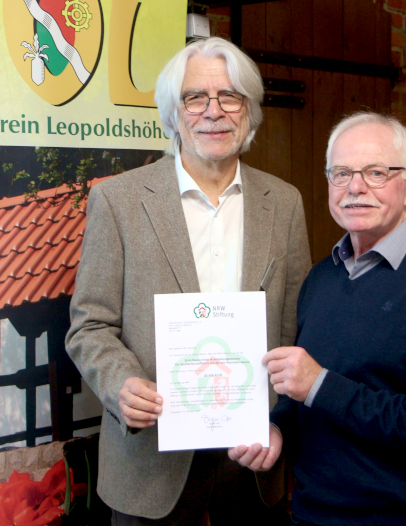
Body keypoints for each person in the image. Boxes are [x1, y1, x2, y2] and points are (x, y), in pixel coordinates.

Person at [66, 37, 311, 526]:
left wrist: (282, 420)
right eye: (195, 97)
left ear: (249, 112)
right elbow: (89, 326)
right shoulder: (118, 201)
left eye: (230, 96)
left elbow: (295, 329)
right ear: (173, 114)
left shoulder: (284, 203)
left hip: (251, 457)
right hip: (150, 462)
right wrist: (121, 385)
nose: (213, 111)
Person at [231, 112, 406, 525]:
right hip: (311, 511)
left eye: (376, 172)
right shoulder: (320, 277)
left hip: (400, 516)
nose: (355, 187)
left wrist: (320, 383)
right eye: (342, 173)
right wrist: (278, 427)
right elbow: (304, 397)